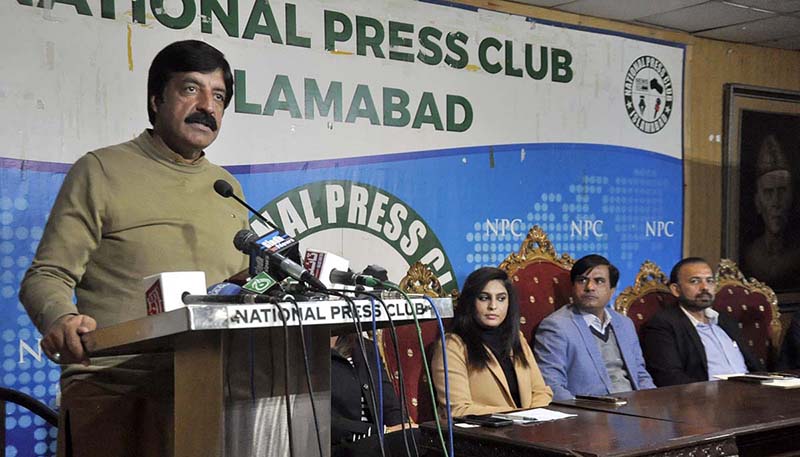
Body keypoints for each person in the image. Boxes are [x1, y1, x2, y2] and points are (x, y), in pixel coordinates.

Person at [18, 40, 249, 456]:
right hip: (115, 386)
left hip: (213, 389)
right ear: (156, 99)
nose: (207, 107)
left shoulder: (227, 188)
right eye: (190, 89)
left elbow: (242, 284)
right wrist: (62, 317)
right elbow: (45, 276)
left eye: (218, 97)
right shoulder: (101, 169)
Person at [431, 267, 552, 417]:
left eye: (501, 299)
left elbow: (541, 391)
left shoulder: (517, 338)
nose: (493, 306)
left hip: (528, 430)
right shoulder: (452, 345)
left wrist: (534, 419)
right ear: (470, 301)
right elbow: (458, 409)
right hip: (481, 434)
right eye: (484, 298)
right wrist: (519, 416)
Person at [534, 254, 655, 401]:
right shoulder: (556, 326)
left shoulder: (624, 323)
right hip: (591, 415)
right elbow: (552, 385)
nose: (590, 287)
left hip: (635, 408)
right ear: (573, 287)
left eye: (599, 281)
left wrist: (652, 404)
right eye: (582, 280)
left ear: (612, 290)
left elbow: (641, 374)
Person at [640, 258, 763, 386]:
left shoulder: (725, 321)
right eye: (695, 281)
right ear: (676, 290)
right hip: (705, 399)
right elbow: (669, 377)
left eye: (709, 281)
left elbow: (753, 366)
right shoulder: (663, 325)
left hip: (750, 393)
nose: (705, 287)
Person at [331, 334, 419, 457]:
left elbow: (390, 406)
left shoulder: (366, 348)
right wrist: (379, 432)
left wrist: (403, 431)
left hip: (379, 444)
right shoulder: (302, 350)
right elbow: (323, 422)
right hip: (340, 447)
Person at [743, 134, 800, 290]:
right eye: (768, 193)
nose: (776, 202)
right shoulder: (751, 256)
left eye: (782, 191)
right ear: (757, 203)